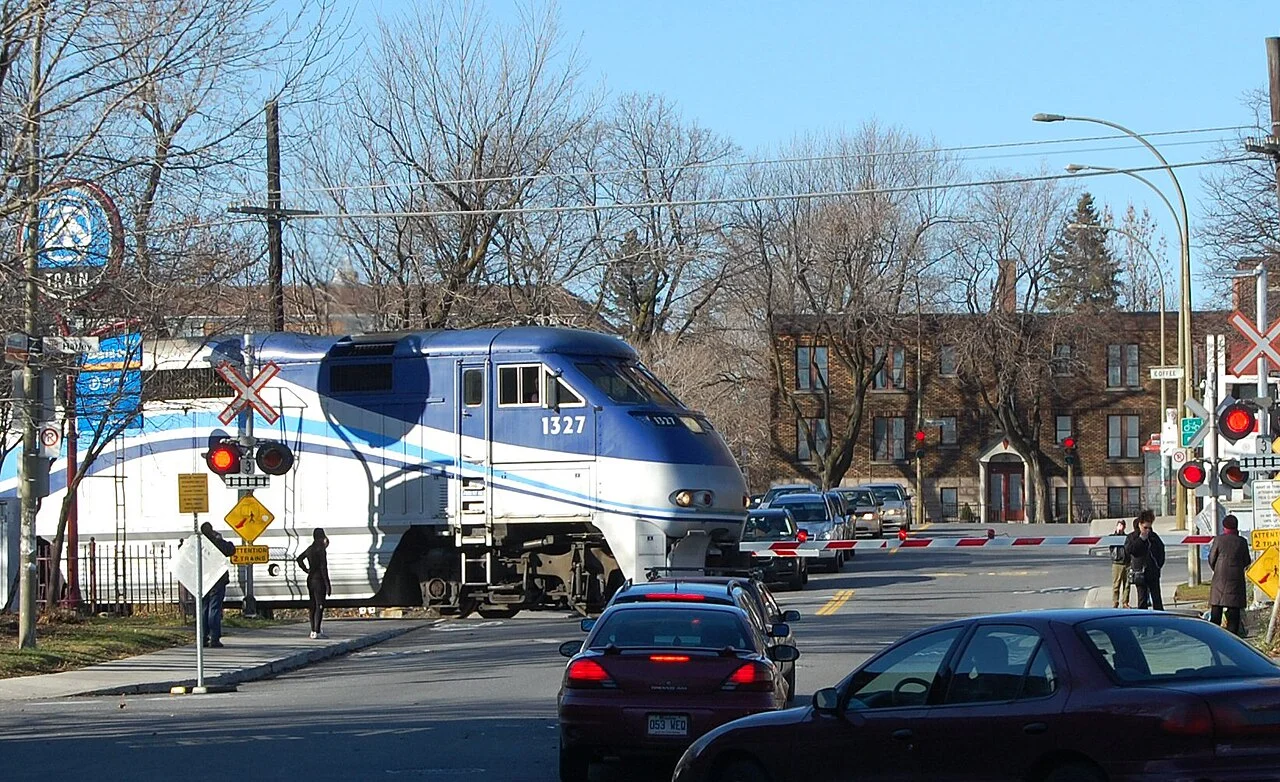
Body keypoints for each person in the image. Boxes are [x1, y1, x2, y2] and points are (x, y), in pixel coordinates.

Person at [1209, 514, 1251, 636]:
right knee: (1234, 614)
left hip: (1219, 580)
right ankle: (1232, 638)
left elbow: (1212, 558)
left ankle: (1213, 636)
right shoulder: (1242, 542)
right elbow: (1247, 561)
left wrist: (1216, 569)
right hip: (1236, 580)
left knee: (1216, 612)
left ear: (1224, 527)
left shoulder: (1218, 540)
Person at [199, 522, 237, 648]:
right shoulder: (216, 542)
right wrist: (219, 538)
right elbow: (231, 549)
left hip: (203, 579)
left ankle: (203, 637)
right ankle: (214, 638)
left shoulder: (199, 544)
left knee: (204, 608)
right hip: (217, 579)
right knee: (214, 608)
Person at [1124, 509, 1165, 610]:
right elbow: (1130, 550)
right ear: (1140, 525)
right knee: (1142, 599)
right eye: (1145, 527)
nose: (1147, 530)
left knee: (1157, 599)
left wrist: (1158, 565)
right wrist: (1141, 539)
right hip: (1139, 573)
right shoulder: (1132, 537)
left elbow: (1161, 551)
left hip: (1153, 572)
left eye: (1149, 528)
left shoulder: (1154, 537)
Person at [296, 528, 331, 639]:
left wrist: (306, 570)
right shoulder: (321, 550)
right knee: (320, 605)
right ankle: (317, 631)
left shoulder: (310, 549)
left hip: (310, 579)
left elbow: (299, 559)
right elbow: (323, 568)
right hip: (319, 580)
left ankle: (312, 630)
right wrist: (327, 584)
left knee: (313, 605)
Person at [1109, 519, 1131, 608]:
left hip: (1126, 563)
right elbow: (1111, 546)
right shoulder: (1113, 537)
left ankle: (1125, 602)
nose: (1120, 527)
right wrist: (1117, 534)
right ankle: (1115, 602)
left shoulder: (1127, 537)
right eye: (1119, 525)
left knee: (1127, 584)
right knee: (1116, 584)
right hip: (1117, 562)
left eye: (1122, 526)